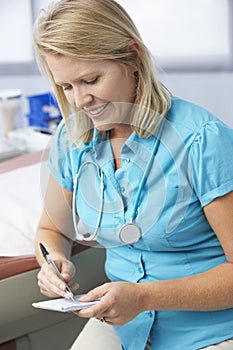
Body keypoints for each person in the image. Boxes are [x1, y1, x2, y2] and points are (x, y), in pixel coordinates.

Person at [33, 0, 233, 349]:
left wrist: (144, 297)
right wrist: (54, 261)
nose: (80, 100)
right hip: (122, 325)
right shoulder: (72, 139)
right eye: (66, 87)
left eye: (91, 79)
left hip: (210, 332)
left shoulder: (202, 140)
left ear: (133, 57)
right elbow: (51, 229)